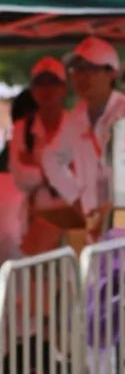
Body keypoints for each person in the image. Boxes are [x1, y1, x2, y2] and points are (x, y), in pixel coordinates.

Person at [42, 37, 125, 241]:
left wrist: (115, 205)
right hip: (93, 221)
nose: (82, 77)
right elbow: (51, 158)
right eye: (77, 70)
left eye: (91, 69)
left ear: (111, 73)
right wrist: (76, 198)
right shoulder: (75, 117)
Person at [9, 58, 69, 255]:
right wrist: (56, 170)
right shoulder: (22, 129)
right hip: (36, 219)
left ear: (63, 88)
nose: (46, 90)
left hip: (73, 218)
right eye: (40, 84)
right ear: (33, 90)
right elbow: (20, 177)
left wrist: (37, 165)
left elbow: (82, 176)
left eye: (52, 83)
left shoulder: (77, 125)